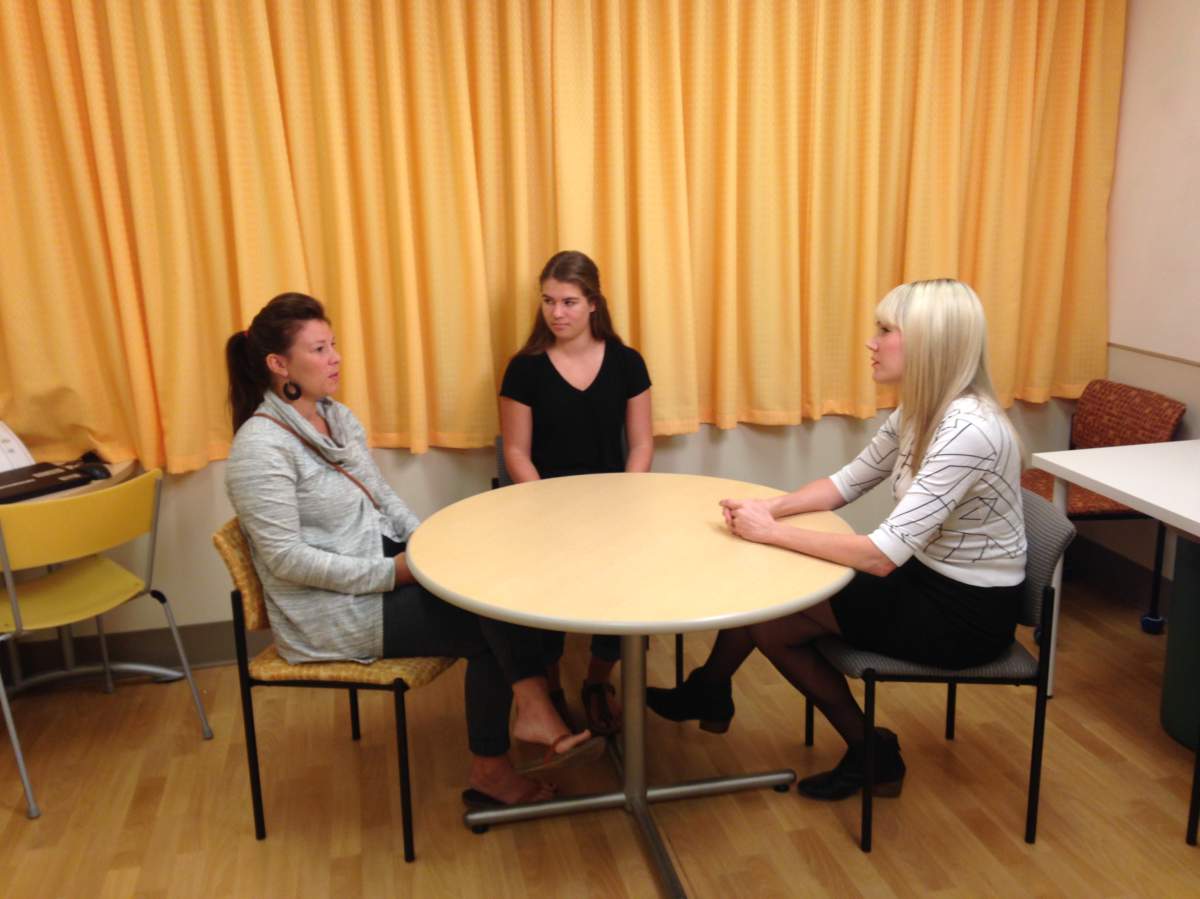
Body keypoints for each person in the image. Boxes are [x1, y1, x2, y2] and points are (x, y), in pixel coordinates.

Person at [647, 278, 1026, 801]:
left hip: (965, 613)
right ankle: (712, 691)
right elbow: (847, 482)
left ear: (930, 343)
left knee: (770, 618)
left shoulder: (969, 429)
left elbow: (880, 556)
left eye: (886, 330)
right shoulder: (921, 409)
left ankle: (868, 749)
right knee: (771, 601)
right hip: (928, 578)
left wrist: (772, 532)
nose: (871, 342)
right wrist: (768, 509)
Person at [225, 292, 600, 809]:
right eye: (319, 349)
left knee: (502, 584)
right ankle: (499, 756)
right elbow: (286, 559)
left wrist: (429, 547)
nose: (335, 358)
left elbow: (381, 495)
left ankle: (532, 710)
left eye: (333, 344)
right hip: (331, 610)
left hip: (379, 568)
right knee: (490, 620)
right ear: (278, 364)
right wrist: (393, 572)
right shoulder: (259, 448)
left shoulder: (334, 417)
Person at [499, 251, 653, 735]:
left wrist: (628, 498)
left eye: (568, 302)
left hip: (613, 504)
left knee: (632, 590)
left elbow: (643, 442)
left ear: (592, 304)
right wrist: (546, 508)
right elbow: (517, 453)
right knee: (542, 597)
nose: (556, 313)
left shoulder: (628, 362)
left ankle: (597, 680)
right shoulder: (524, 369)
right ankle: (548, 688)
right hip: (542, 506)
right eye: (548, 301)